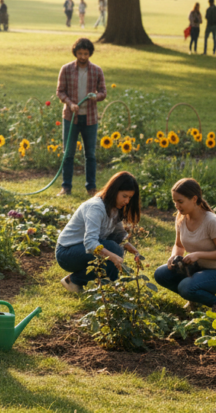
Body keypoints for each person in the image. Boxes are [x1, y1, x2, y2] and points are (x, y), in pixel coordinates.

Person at [154, 178, 216, 314]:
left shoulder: (212, 221)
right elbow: (178, 245)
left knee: (186, 287)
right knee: (161, 274)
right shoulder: (181, 218)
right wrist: (174, 257)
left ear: (194, 199)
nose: (177, 206)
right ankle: (195, 297)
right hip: (197, 269)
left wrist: (198, 254)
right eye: (175, 202)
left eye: (180, 201)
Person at [56, 171, 143, 292]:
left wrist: (131, 248)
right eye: (124, 196)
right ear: (114, 190)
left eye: (130, 197)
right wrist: (113, 257)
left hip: (82, 250)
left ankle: (108, 287)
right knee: (114, 250)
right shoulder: (96, 207)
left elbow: (118, 235)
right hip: (67, 253)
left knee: (116, 248)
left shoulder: (115, 208)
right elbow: (91, 243)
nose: (127, 201)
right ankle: (80, 282)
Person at [56, 38, 107, 196]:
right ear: (75, 53)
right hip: (71, 118)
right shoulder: (66, 69)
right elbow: (60, 91)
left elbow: (103, 92)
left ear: (90, 54)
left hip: (90, 118)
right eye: (80, 53)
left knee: (90, 154)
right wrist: (70, 104)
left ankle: (91, 188)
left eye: (85, 53)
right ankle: (66, 187)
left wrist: (96, 96)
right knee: (68, 153)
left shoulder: (97, 71)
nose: (83, 56)